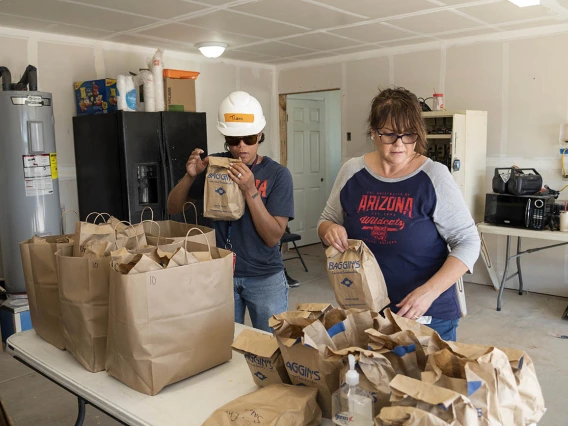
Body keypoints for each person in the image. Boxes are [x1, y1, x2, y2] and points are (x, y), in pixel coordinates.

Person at [317, 87, 480, 341]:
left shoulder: (434, 176)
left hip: (425, 315)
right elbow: (326, 220)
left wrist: (428, 292)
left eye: (408, 135)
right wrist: (328, 229)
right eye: (389, 135)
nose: (399, 144)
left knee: (423, 381)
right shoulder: (351, 172)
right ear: (373, 132)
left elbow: (468, 242)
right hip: (366, 311)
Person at [167, 91, 294, 332]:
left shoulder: (278, 175)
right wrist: (189, 176)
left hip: (264, 277)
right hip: (219, 273)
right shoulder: (214, 165)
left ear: (259, 135)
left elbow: (273, 236)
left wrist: (250, 190)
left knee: (270, 349)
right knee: (224, 347)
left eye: (248, 139)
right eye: (234, 141)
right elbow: (173, 207)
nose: (241, 147)